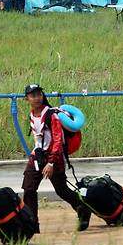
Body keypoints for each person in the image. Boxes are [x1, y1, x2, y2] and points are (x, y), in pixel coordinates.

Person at [21, 84, 91, 233]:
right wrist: (37, 155)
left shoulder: (52, 115)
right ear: (27, 99)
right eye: (33, 95)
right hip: (38, 156)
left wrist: (51, 163)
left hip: (54, 158)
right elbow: (38, 138)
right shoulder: (32, 115)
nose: (37, 98)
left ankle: (83, 210)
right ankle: (32, 224)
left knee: (62, 190)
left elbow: (58, 141)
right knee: (28, 188)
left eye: (39, 94)